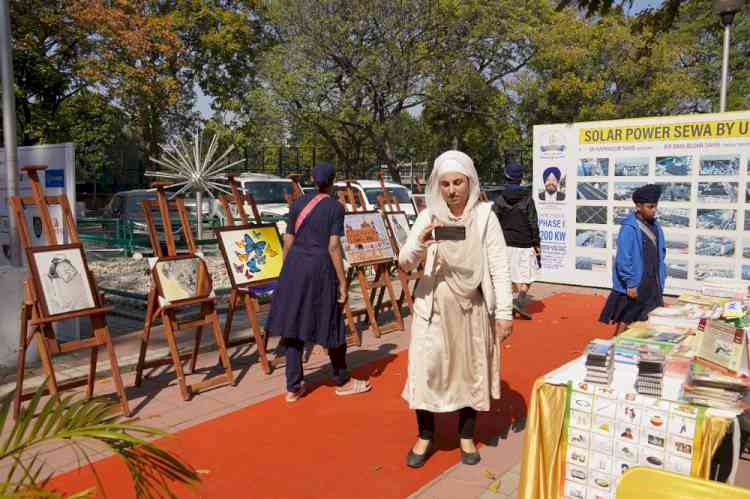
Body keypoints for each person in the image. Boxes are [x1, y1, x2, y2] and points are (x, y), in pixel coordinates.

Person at [398, 150, 513, 468]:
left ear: (470, 182)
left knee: (470, 373)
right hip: (432, 309)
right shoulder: (429, 215)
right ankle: (425, 435)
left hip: (470, 308)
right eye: (446, 183)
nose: (452, 190)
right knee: (426, 370)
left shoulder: (485, 216)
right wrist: (420, 242)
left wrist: (504, 312)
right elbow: (404, 262)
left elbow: (499, 267)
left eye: (458, 182)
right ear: (438, 185)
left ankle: (466, 435)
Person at [266, 162, 371, 402]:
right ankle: (341, 379)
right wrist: (343, 283)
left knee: (293, 324)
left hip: (294, 267)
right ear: (333, 181)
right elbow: (333, 246)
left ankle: (293, 387)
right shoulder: (335, 207)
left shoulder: (297, 204)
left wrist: (287, 271)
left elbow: (288, 239)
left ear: (312, 180)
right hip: (320, 269)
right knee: (331, 320)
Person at [599, 184, 665, 336]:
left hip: (652, 282)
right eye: (650, 206)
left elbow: (661, 252)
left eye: (655, 206)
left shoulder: (656, 226)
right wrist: (630, 283)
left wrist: (660, 277)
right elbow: (624, 258)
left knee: (646, 319)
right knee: (627, 318)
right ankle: (614, 345)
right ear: (638, 206)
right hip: (636, 282)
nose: (654, 210)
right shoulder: (629, 228)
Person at [493, 161, 540, 319]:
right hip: (525, 243)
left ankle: (511, 303)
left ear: (507, 177)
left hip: (505, 243)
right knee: (527, 276)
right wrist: (536, 242)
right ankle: (519, 301)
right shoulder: (527, 199)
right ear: (520, 179)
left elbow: (494, 222)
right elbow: (533, 222)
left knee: (511, 275)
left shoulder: (499, 200)